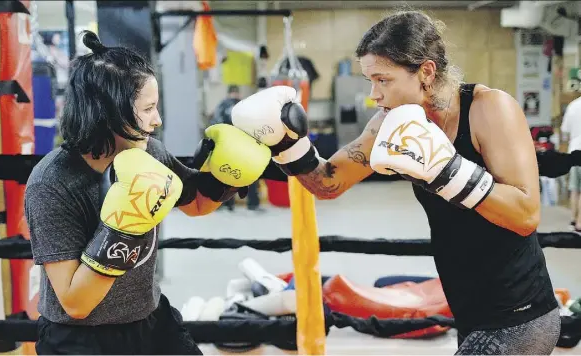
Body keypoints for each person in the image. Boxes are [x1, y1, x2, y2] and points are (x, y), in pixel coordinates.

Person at [230, 10, 561, 355]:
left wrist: (447, 171)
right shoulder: (387, 124)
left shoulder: (489, 108)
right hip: (470, 309)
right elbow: (329, 182)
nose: (374, 94)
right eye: (369, 81)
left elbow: (525, 215)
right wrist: (288, 145)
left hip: (520, 314)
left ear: (426, 72)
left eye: (383, 80)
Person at [25, 31, 270, 355]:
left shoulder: (148, 151)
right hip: (81, 338)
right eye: (148, 108)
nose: (157, 120)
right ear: (109, 112)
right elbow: (75, 303)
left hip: (150, 320)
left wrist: (225, 176)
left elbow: (196, 204)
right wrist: (124, 227)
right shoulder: (52, 184)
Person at [210, 85, 263, 212]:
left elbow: (215, 123)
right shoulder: (243, 105)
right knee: (250, 175)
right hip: (243, 146)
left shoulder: (222, 105)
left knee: (226, 174)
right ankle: (253, 203)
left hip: (227, 146)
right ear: (237, 93)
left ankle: (226, 204)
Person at [560, 96, 581, 232]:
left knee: (574, 188)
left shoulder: (573, 105)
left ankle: (573, 220)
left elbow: (564, 131)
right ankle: (580, 222)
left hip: (574, 150)